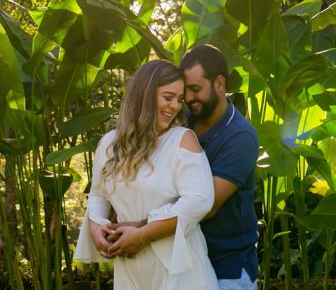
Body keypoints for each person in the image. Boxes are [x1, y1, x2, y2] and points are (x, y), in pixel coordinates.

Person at [73, 59, 219, 289]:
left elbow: (200, 201)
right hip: (129, 265)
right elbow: (99, 195)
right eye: (168, 97)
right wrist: (97, 226)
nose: (175, 106)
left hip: (177, 267)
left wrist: (142, 234)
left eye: (179, 100)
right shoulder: (109, 144)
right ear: (145, 94)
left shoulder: (182, 140)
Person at [180, 44, 260, 290]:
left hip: (228, 268)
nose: (189, 98)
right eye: (185, 91)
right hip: (188, 260)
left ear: (220, 84)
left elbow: (208, 204)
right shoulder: (182, 122)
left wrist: (142, 228)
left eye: (195, 89)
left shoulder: (240, 136)